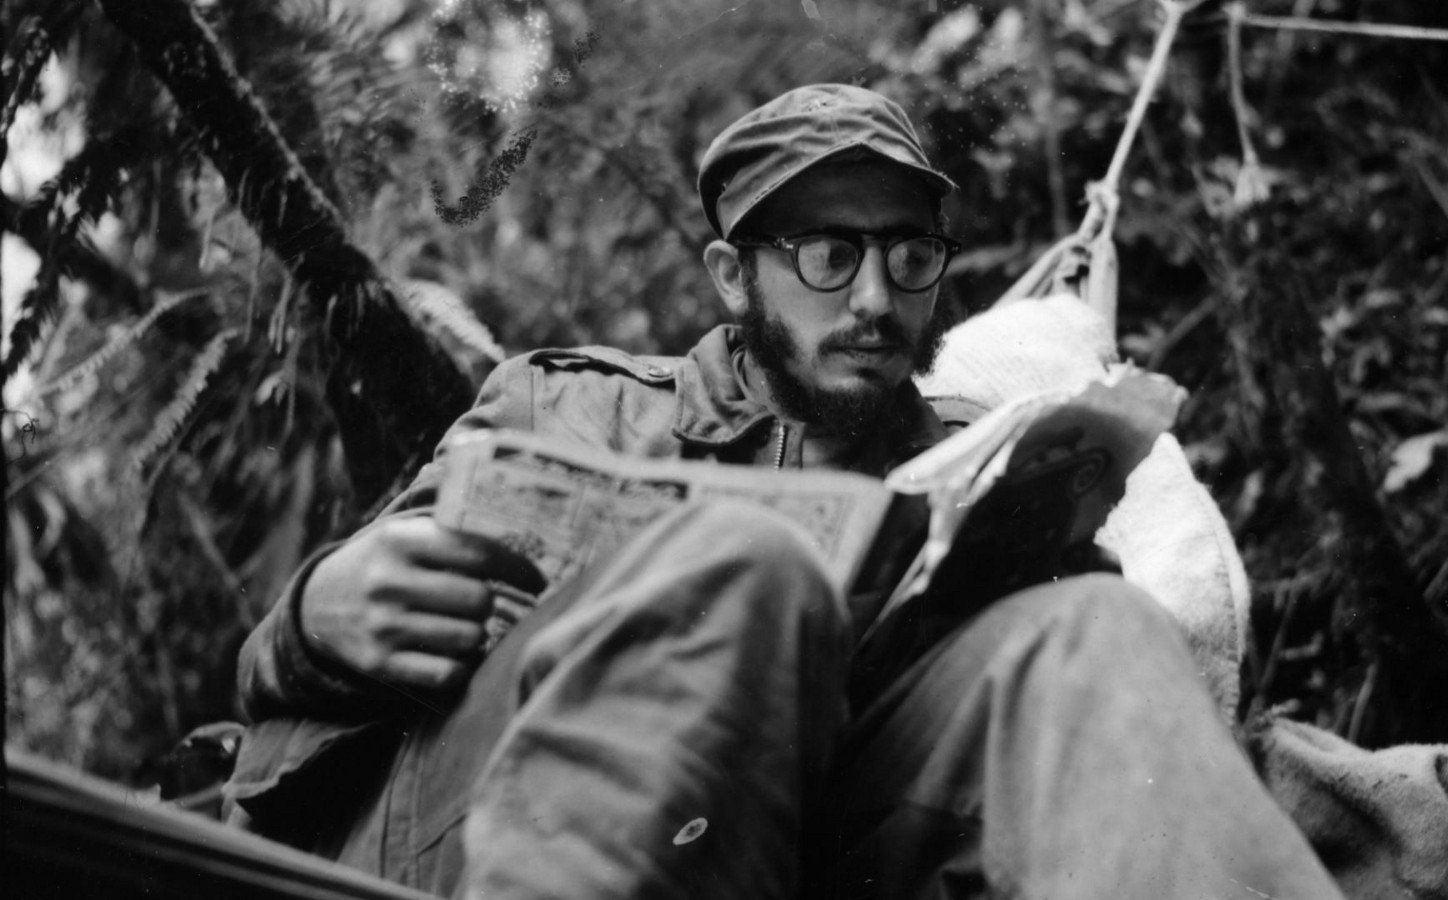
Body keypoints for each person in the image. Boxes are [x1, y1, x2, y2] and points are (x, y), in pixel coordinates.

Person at [223, 84, 1352, 898]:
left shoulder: (976, 456)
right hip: (484, 827)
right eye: (827, 255)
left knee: (1093, 628)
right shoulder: (569, 407)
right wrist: (316, 617)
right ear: (733, 276)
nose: (873, 297)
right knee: (746, 560)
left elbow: (1080, 734)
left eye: (908, 256)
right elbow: (293, 676)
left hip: (811, 836)